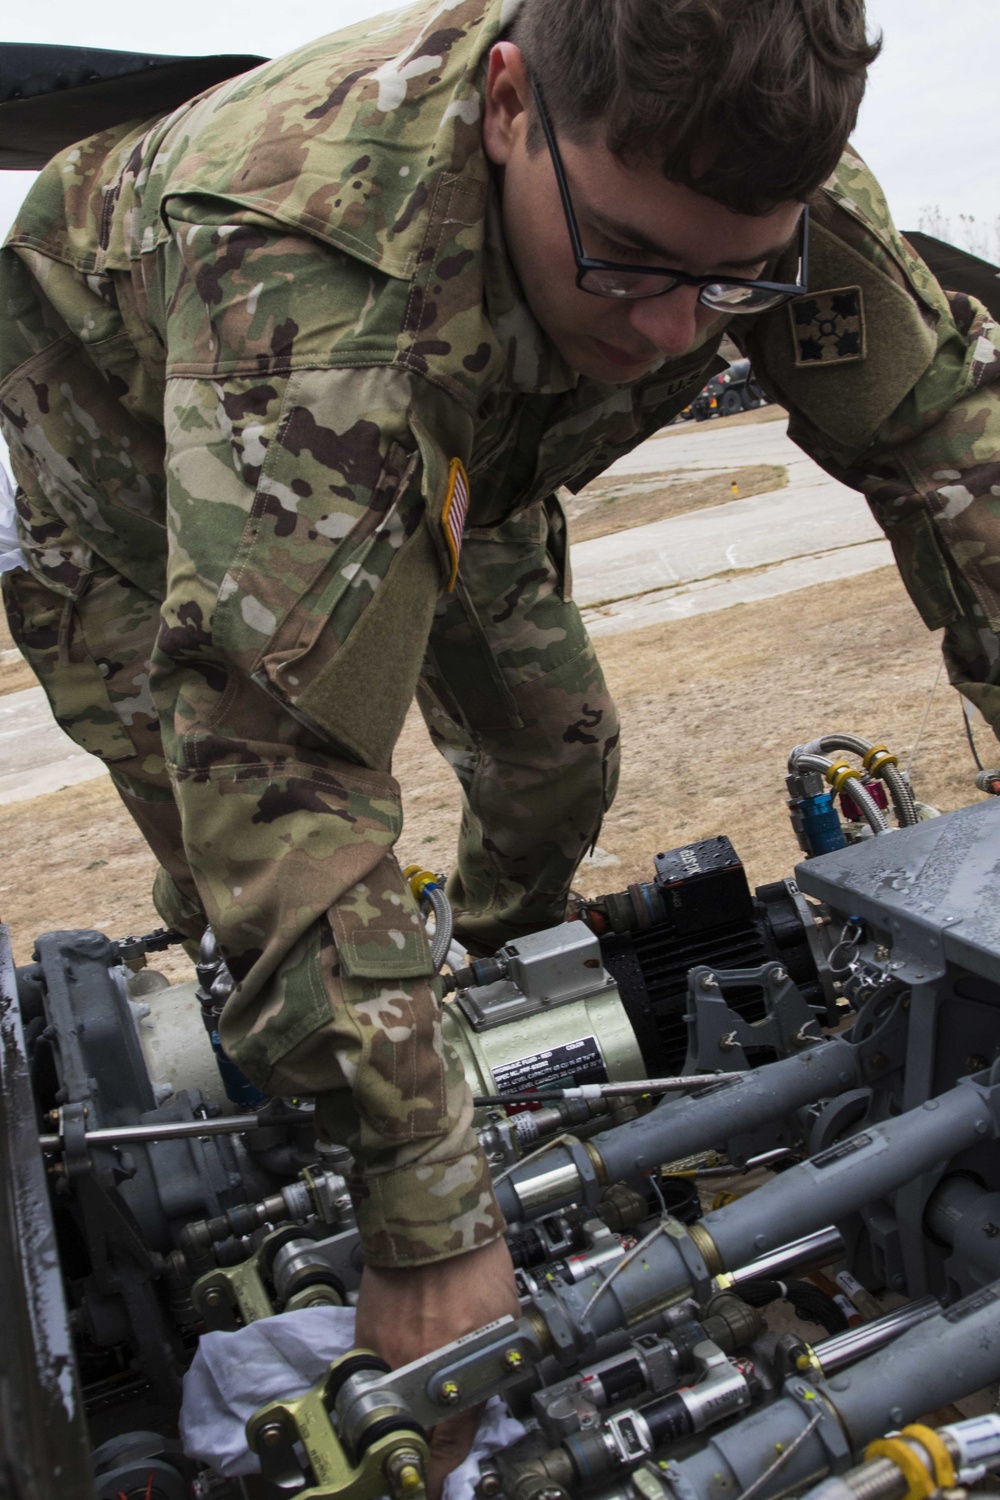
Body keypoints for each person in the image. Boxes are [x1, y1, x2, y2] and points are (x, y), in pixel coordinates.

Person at [2, 0, 998, 1483]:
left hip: (473, 442)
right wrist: (427, 1214)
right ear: (514, 105)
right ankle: (352, 1097)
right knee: (246, 884)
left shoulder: (774, 211)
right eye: (636, 259)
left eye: (735, 281)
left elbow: (953, 454)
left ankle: (491, 1018)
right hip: (138, 476)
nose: (675, 330)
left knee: (555, 751)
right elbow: (276, 758)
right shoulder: (311, 267)